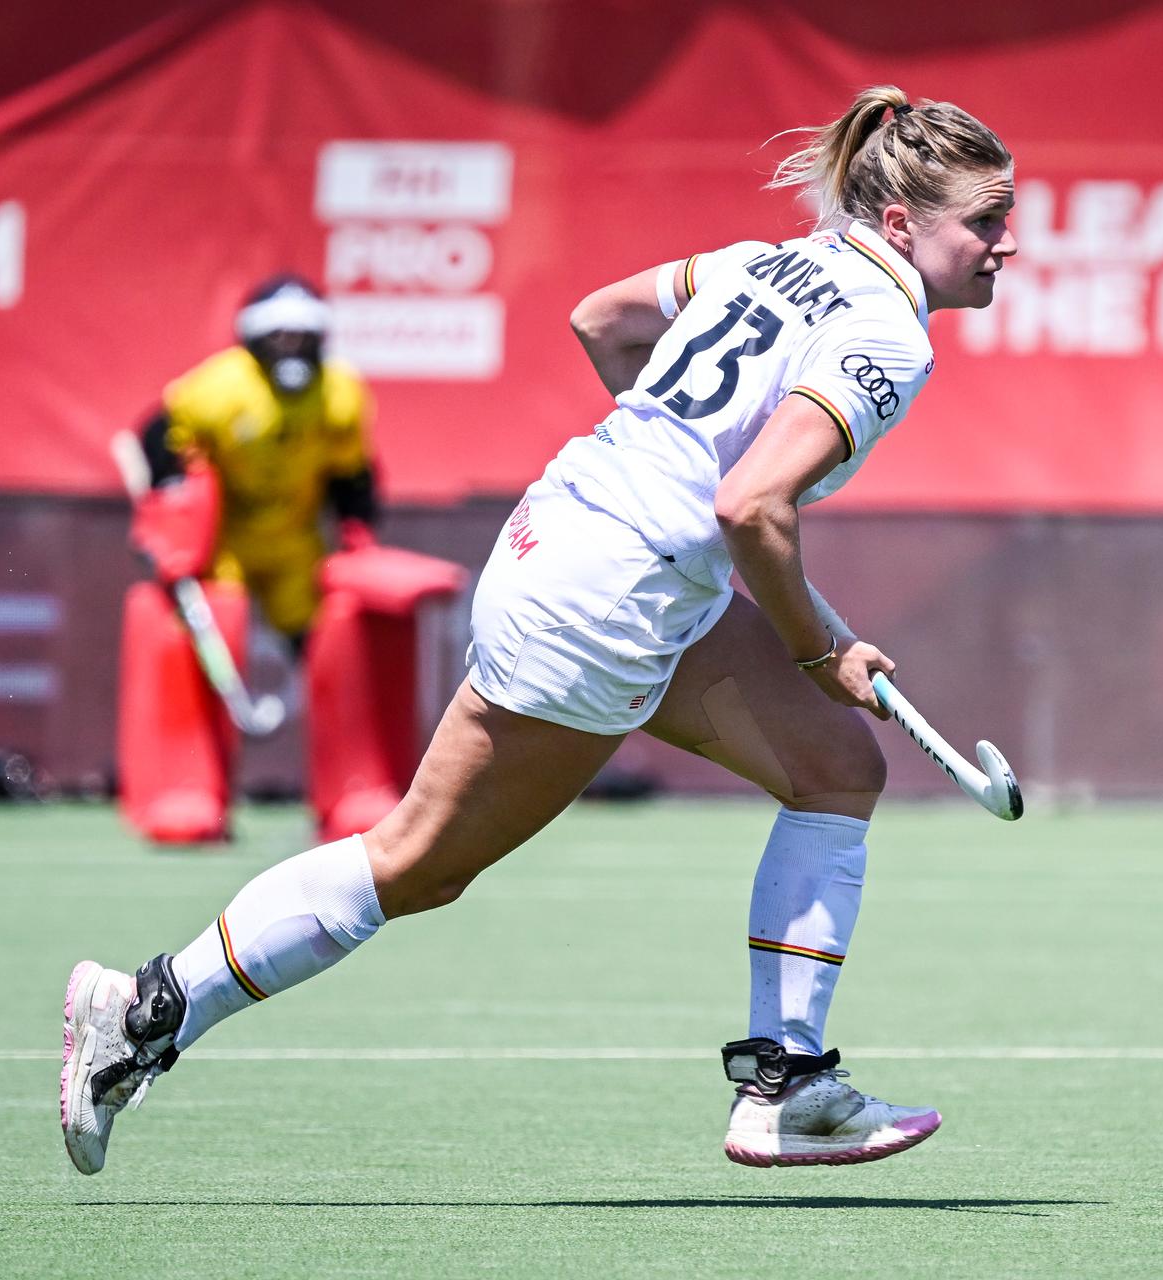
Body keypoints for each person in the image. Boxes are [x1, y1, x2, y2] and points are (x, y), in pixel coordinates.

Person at [63, 85, 1017, 1173]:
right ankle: (143, 1009)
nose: (1007, 244)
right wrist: (821, 645)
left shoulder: (763, 260)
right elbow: (751, 506)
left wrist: (654, 468)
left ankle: (788, 1081)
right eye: (984, 221)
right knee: (417, 860)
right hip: (604, 602)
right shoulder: (891, 333)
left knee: (836, 768)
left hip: (580, 539)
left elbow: (601, 320)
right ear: (902, 224)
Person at [132, 273, 380, 648]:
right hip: (228, 540)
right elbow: (161, 437)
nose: (292, 350)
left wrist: (357, 522)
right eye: (280, 337)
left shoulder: (339, 395)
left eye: (303, 337)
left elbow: (352, 473)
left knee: (317, 643)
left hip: (296, 541)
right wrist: (171, 509)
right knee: (216, 640)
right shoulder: (217, 390)